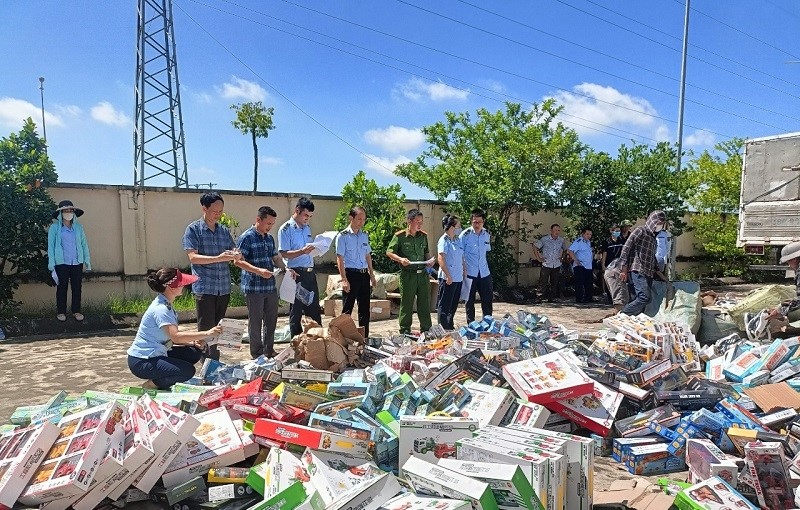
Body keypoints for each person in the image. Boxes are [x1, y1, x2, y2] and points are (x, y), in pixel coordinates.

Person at [127, 268, 222, 389]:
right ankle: (152, 384)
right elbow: (175, 337)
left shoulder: (166, 303)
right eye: (181, 283)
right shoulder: (161, 309)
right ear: (171, 287)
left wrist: (192, 342)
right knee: (187, 371)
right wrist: (207, 333)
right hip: (142, 360)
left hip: (157, 352)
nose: (184, 286)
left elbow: (169, 336)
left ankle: (163, 375)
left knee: (194, 353)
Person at [183, 192, 241, 360]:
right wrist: (219, 258)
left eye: (221, 211)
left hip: (223, 286)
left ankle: (214, 362)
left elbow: (234, 249)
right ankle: (206, 364)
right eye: (215, 211)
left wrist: (236, 254)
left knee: (220, 328)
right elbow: (193, 257)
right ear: (204, 208)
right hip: (205, 287)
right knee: (206, 329)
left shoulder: (223, 230)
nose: (218, 214)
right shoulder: (193, 229)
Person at [236, 206, 292, 359]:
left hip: (269, 286)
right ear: (258, 220)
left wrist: (286, 269)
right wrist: (258, 271)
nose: (270, 227)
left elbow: (276, 258)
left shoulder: (269, 238)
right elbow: (238, 262)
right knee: (255, 321)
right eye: (268, 223)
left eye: (272, 224)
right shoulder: (247, 238)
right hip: (254, 287)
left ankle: (269, 350)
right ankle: (257, 353)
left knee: (271, 320)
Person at [386, 208, 435, 334]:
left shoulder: (423, 236)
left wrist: (430, 260)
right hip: (408, 275)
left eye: (421, 222)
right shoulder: (400, 237)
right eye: (417, 221)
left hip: (422, 275)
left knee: (424, 303)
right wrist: (400, 259)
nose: (420, 224)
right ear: (409, 221)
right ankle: (405, 330)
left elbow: (426, 253)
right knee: (407, 304)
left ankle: (426, 330)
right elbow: (389, 252)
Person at [279, 197, 322, 337]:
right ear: (297, 210)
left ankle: (317, 341)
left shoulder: (307, 228)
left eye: (310, 216)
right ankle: (296, 345)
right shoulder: (286, 229)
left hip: (310, 273)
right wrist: (302, 251)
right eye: (305, 215)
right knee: (296, 311)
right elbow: (284, 253)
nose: (307, 219)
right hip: (296, 274)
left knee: (314, 309)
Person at [336, 206, 377, 337]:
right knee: (347, 309)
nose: (361, 222)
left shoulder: (364, 235)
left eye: (363, 219)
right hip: (351, 274)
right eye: (359, 219)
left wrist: (371, 274)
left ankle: (364, 338)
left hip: (364, 274)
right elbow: (340, 258)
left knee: (364, 309)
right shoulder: (343, 236)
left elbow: (368, 255)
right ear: (351, 218)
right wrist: (344, 279)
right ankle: (343, 337)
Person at [48, 200, 91, 322]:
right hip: (61, 262)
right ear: (61, 213)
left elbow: (84, 244)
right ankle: (61, 312)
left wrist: (87, 261)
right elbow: (50, 247)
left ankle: (76, 311)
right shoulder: (55, 228)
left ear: (74, 212)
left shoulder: (78, 227)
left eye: (70, 210)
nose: (68, 213)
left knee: (77, 287)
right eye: (65, 211)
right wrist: (51, 264)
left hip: (77, 262)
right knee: (62, 287)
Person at [618, 210, 667, 315]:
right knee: (645, 297)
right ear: (652, 221)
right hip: (637, 270)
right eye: (658, 223)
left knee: (639, 302)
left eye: (662, 224)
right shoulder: (640, 231)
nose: (660, 226)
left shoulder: (653, 239)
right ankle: (622, 315)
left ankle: (631, 325)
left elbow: (652, 258)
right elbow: (626, 248)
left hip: (648, 273)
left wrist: (661, 275)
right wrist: (623, 268)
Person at [460, 208, 493, 323]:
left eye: (479, 222)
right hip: (469, 272)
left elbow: (486, 250)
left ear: (483, 222)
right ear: (471, 222)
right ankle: (471, 324)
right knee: (469, 301)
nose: (477, 224)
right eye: (474, 222)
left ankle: (488, 323)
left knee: (487, 299)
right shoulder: (465, 235)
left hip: (484, 272)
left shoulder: (487, 234)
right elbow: (460, 253)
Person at [436, 214, 465, 330]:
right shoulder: (444, 240)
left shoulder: (457, 240)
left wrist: (464, 269)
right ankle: (442, 328)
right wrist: (448, 275)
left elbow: (461, 256)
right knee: (445, 305)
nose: (460, 228)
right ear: (452, 227)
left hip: (458, 277)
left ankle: (449, 325)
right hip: (448, 278)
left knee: (453, 304)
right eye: (458, 226)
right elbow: (441, 259)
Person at [532, 224, 570, 302]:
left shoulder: (561, 240)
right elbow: (535, 246)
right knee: (543, 282)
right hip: (546, 263)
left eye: (558, 230)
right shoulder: (545, 239)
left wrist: (562, 257)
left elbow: (565, 249)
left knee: (554, 282)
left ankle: (551, 298)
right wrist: (538, 258)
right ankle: (539, 298)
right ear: (551, 230)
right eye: (555, 230)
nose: (557, 232)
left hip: (556, 263)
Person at [568, 228, 595, 304]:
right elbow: (570, 250)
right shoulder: (579, 241)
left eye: (590, 234)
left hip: (588, 266)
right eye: (587, 234)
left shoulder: (588, 242)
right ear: (583, 234)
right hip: (580, 266)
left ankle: (588, 298)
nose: (589, 236)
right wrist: (576, 260)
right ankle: (579, 299)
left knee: (588, 283)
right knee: (579, 283)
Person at [600, 224, 625, 302]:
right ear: (611, 231)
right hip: (609, 265)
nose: (617, 232)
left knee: (619, 282)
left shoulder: (622, 240)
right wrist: (603, 265)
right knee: (610, 281)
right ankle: (610, 298)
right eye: (615, 231)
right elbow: (604, 253)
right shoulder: (607, 242)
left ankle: (619, 299)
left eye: (618, 231)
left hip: (619, 265)